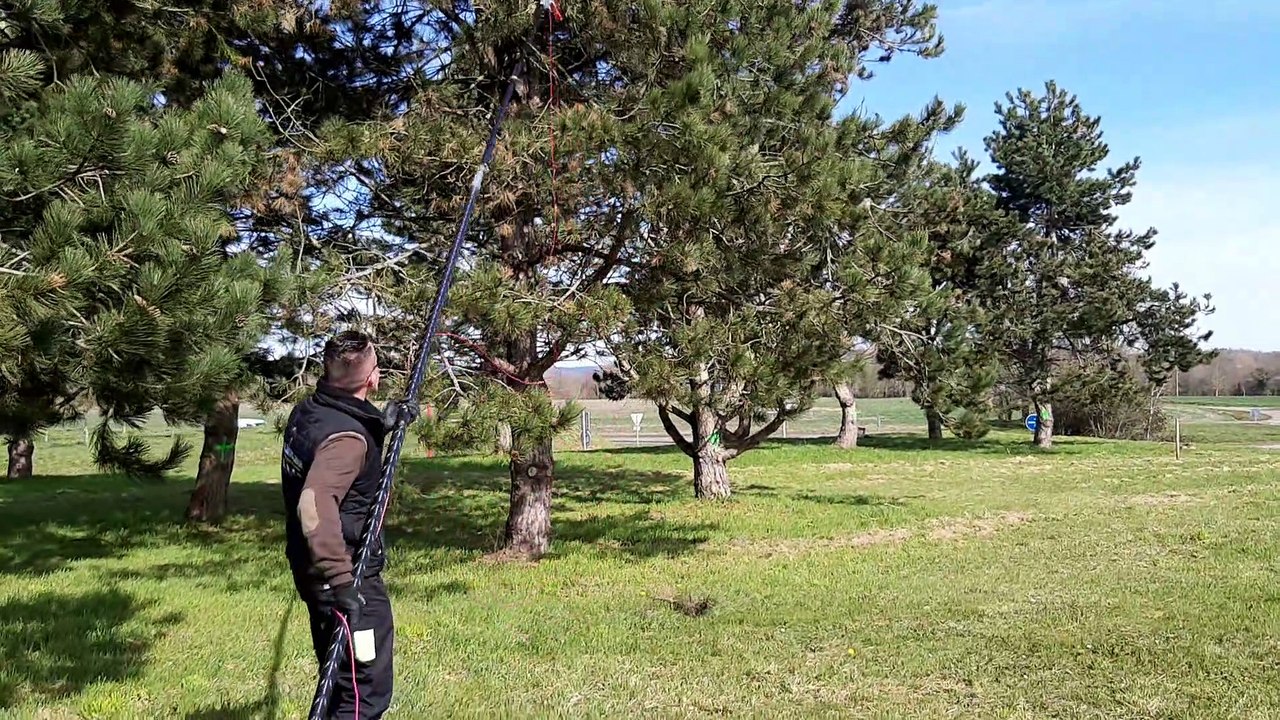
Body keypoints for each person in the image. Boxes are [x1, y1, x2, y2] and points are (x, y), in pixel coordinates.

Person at [280, 330, 418, 718]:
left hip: (312, 569)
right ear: (372, 377)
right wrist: (343, 583)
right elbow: (314, 503)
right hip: (346, 579)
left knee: (338, 679)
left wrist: (380, 425)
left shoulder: (309, 412)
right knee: (362, 692)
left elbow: (337, 440)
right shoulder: (346, 442)